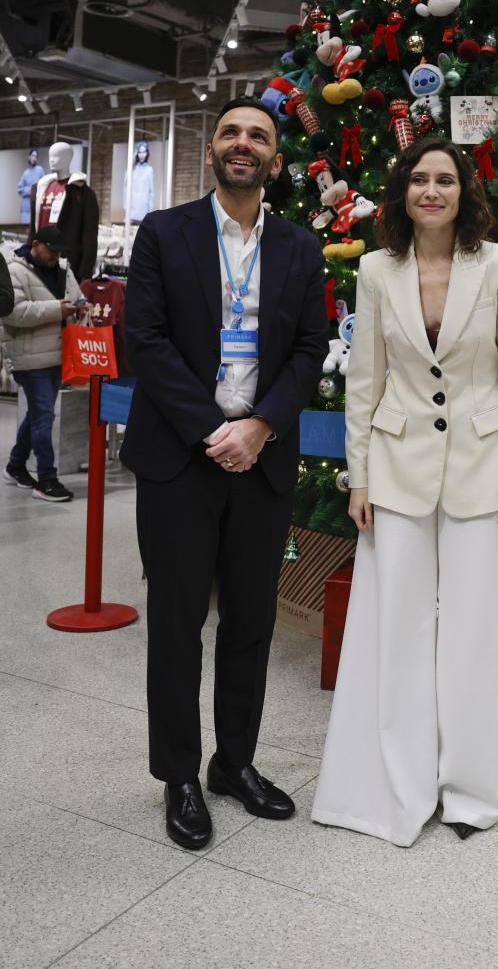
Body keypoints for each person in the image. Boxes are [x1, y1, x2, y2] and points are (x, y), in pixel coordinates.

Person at [312, 138, 498, 847]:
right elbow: (365, 380)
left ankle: (474, 790)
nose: (431, 190)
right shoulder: (378, 270)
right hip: (396, 462)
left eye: (444, 179)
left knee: (476, 634)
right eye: (419, 178)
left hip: (485, 466)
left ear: (464, 191)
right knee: (399, 630)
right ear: (402, 191)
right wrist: (359, 474)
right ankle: (400, 783)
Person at [122, 96, 328, 851]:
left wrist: (261, 424)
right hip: (181, 458)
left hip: (263, 458)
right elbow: (142, 340)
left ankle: (233, 763)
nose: (244, 144)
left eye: (259, 136)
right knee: (177, 624)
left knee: (252, 621)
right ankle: (178, 774)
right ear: (212, 148)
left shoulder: (301, 249)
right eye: (232, 132)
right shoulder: (163, 233)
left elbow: (310, 349)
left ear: (276, 158)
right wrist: (216, 430)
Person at [3, 225, 84, 501]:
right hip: (29, 357)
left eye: (59, 251)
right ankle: (46, 479)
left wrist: (82, 304)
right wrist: (56, 309)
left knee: (40, 413)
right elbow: (12, 313)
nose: (55, 256)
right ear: (36, 244)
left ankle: (15, 466)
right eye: (51, 250)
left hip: (58, 354)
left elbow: (76, 296)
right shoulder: (13, 270)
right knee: (44, 415)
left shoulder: (63, 268)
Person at [125, 141, 156, 222]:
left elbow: (151, 191)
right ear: (136, 153)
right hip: (132, 209)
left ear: (147, 153)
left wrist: (150, 209)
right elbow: (126, 188)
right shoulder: (131, 170)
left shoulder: (149, 170)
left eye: (144, 152)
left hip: (144, 209)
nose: (142, 155)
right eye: (139, 152)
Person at [17, 148, 43, 226]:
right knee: (24, 231)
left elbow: (44, 186)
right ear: (29, 157)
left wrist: (35, 190)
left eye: (36, 156)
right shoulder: (25, 173)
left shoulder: (40, 170)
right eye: (32, 156)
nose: (34, 158)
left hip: (36, 205)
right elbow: (20, 190)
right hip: (25, 208)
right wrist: (30, 190)